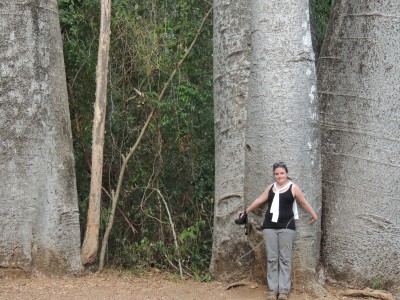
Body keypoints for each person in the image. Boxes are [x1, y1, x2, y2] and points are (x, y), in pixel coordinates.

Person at [238, 162, 318, 300]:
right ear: (274, 175)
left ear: (286, 174)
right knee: (272, 259)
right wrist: (246, 211)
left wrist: (314, 215)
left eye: (282, 173)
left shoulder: (293, 188)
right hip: (269, 227)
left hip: (287, 228)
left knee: (285, 259)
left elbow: (304, 202)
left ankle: (283, 291)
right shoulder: (271, 188)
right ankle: (272, 290)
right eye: (276, 173)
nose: (279, 176)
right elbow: (259, 201)